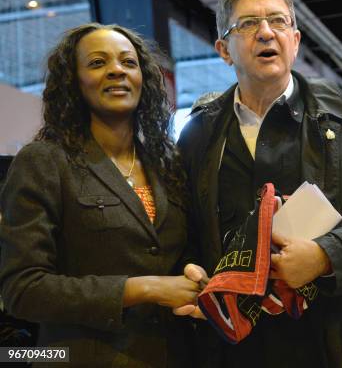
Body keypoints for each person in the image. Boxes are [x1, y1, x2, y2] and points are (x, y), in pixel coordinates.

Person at [177, 0, 342, 368]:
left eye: (279, 21)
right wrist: (190, 269)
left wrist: (325, 255)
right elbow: (187, 226)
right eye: (247, 24)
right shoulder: (197, 134)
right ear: (224, 50)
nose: (266, 33)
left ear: (295, 41)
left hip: (334, 339)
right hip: (233, 345)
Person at [0, 23, 201, 366]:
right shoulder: (45, 161)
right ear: (74, 81)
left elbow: (170, 255)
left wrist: (193, 274)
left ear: (144, 78)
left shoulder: (168, 164)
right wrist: (144, 288)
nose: (116, 71)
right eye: (97, 63)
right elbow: (23, 289)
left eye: (128, 62)